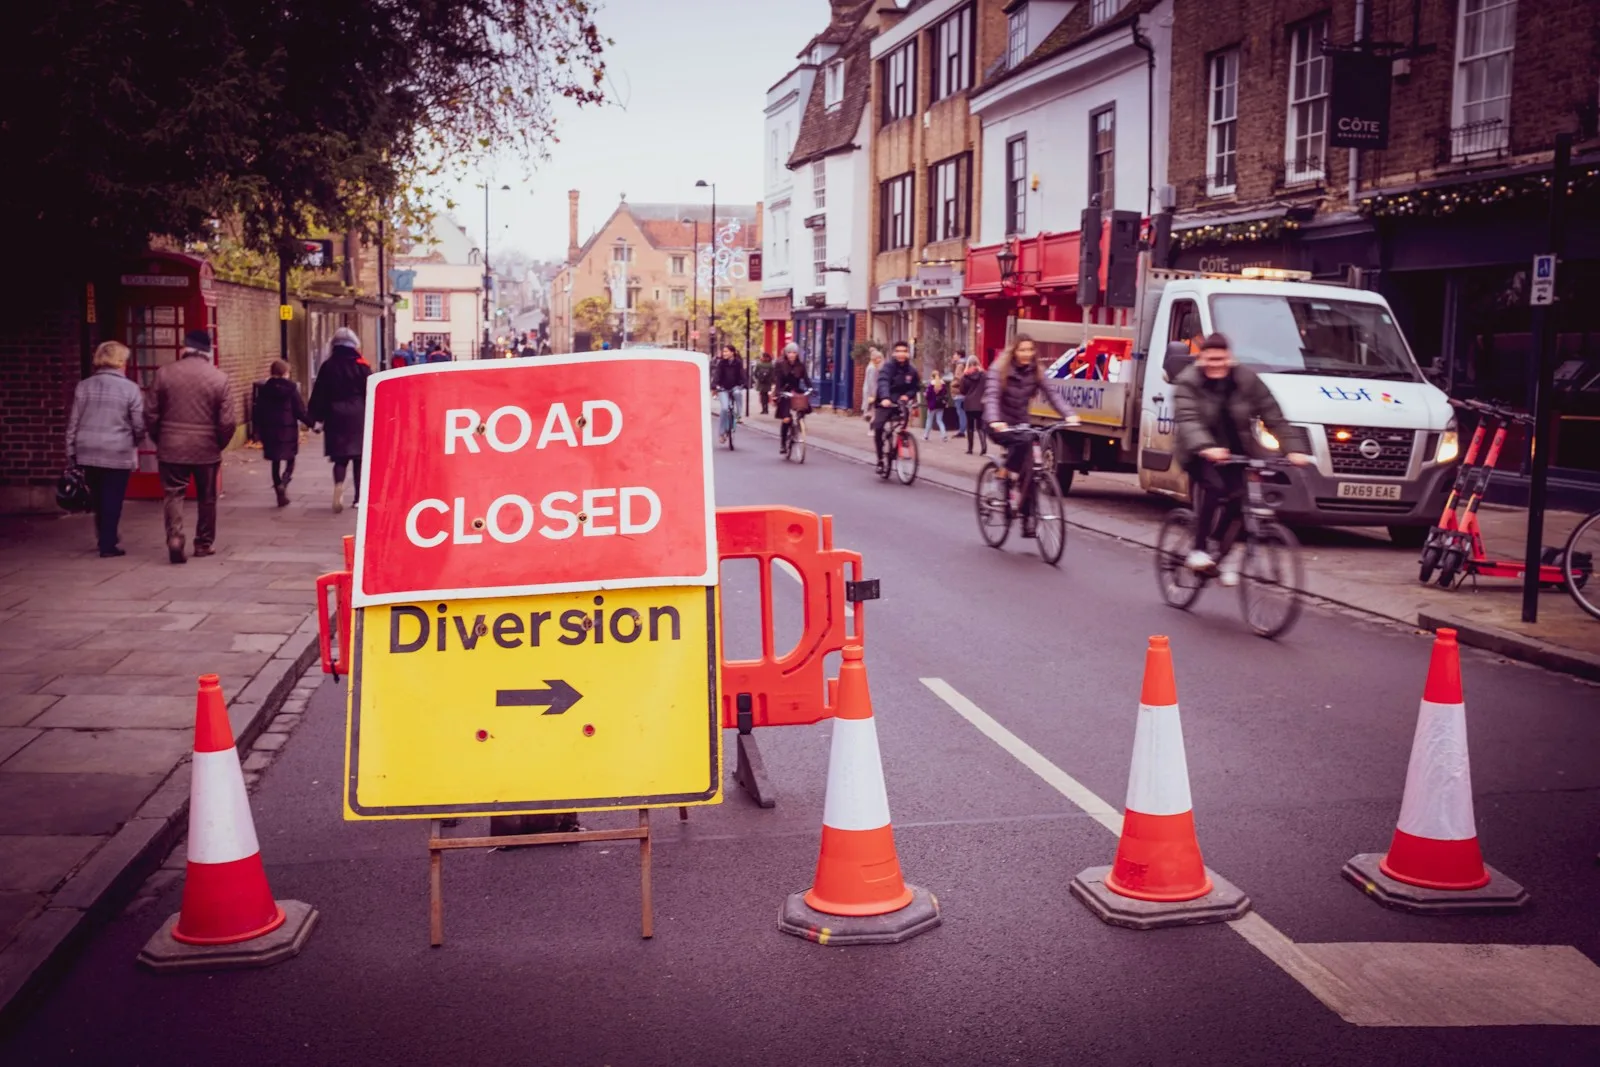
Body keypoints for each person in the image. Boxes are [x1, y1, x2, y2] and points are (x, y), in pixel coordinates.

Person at [1173, 332, 1311, 584]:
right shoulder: (1188, 382)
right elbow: (1189, 419)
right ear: (1202, 358)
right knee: (1214, 488)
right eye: (1211, 359)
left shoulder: (1246, 379)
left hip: (1236, 452)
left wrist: (1294, 448)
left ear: (1230, 357)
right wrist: (1206, 447)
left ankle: (1218, 550)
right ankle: (1198, 550)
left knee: (1238, 499)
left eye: (1221, 359)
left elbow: (1273, 415)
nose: (1216, 365)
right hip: (1197, 451)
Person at [146, 329, 235, 563]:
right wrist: (218, 444)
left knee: (173, 494)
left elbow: (150, 413)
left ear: (184, 348)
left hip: (171, 446)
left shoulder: (164, 373)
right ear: (208, 351)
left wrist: (160, 438)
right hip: (206, 448)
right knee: (207, 497)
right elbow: (227, 422)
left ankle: (175, 538)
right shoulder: (219, 378)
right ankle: (203, 543)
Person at [984, 335, 1077, 537]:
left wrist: (1068, 415)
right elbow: (992, 397)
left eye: (1030, 350)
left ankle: (1028, 520)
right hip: (998, 423)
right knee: (1021, 444)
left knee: (1031, 470)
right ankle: (1004, 474)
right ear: (1013, 351)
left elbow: (1053, 395)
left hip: (1021, 424)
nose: (1027, 354)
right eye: (1022, 350)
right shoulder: (999, 369)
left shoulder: (1036, 371)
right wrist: (995, 420)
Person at [64, 341, 145, 557]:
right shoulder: (130, 388)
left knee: (98, 497)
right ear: (120, 361)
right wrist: (136, 441)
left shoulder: (84, 386)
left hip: (88, 450)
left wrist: (71, 451)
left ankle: (104, 535)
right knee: (113, 498)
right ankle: (108, 544)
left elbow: (73, 422)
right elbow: (139, 424)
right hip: (117, 450)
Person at [308, 326, 372, 513]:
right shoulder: (362, 365)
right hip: (359, 415)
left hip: (335, 415)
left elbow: (319, 393)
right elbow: (371, 389)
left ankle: (339, 485)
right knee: (360, 459)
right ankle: (359, 499)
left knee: (340, 458)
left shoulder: (328, 366)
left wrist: (315, 418)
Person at [254, 360, 313, 507]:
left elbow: (258, 411)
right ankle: (284, 481)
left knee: (275, 462)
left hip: (270, 430)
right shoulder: (291, 389)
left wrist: (257, 431)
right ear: (285, 373)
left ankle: (279, 492)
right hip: (288, 430)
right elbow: (300, 411)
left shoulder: (264, 389)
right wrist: (312, 424)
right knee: (290, 459)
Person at [873, 341, 921, 474]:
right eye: (898, 351)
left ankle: (901, 441)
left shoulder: (911, 370)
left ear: (908, 353)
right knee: (878, 427)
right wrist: (885, 398)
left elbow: (915, 387)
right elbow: (883, 381)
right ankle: (880, 459)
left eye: (904, 351)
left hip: (901, 403)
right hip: (886, 402)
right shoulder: (888, 367)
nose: (901, 354)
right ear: (894, 353)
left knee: (902, 426)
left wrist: (907, 396)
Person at [772, 342, 811, 454]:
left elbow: (806, 378)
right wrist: (778, 392)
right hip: (784, 391)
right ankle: (783, 443)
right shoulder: (780, 364)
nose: (792, 355)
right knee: (786, 419)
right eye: (789, 352)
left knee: (802, 408)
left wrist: (810, 388)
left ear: (797, 354)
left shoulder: (800, 365)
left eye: (794, 352)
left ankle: (799, 426)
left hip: (795, 391)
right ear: (786, 353)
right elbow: (778, 380)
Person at [711, 344, 746, 443]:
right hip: (723, 388)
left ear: (732, 352)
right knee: (724, 409)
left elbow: (742, 374)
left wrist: (744, 383)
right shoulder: (721, 363)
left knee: (738, 393)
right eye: (723, 351)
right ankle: (722, 433)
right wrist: (714, 385)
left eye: (726, 351)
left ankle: (739, 415)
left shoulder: (738, 363)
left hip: (735, 387)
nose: (724, 353)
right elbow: (717, 375)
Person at [959, 356, 988, 455]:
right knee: (980, 426)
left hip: (969, 404)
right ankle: (984, 447)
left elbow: (962, 390)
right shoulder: (984, 375)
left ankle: (970, 449)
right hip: (980, 404)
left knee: (970, 427)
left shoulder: (965, 376)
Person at [923, 371, 951, 442]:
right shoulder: (943, 384)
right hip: (940, 405)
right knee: (940, 421)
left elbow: (928, 396)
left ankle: (926, 436)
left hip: (932, 405)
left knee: (929, 420)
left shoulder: (931, 385)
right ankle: (944, 436)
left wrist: (925, 395)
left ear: (932, 376)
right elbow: (945, 394)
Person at [860, 348, 884, 424]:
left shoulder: (872, 366)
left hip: (869, 390)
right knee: (871, 408)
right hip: (871, 391)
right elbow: (872, 382)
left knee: (871, 408)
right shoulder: (873, 368)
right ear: (874, 358)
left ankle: (870, 420)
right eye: (879, 358)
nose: (880, 360)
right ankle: (871, 423)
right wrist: (874, 394)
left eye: (881, 358)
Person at [752, 351, 776, 415]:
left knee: (762, 395)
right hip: (768, 382)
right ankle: (766, 409)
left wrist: (758, 378)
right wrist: (771, 380)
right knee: (766, 394)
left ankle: (764, 409)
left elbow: (755, 373)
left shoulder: (759, 364)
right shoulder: (771, 364)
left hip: (761, 382)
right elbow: (773, 374)